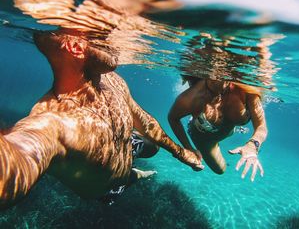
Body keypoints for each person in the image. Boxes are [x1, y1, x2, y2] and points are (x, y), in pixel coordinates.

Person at [0, 29, 203, 209]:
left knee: (152, 147)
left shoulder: (111, 81)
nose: (115, 38)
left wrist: (180, 153)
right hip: (110, 187)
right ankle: (137, 175)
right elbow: (18, 161)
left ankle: (133, 159)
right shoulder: (52, 123)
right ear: (75, 47)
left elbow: (144, 121)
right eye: (104, 34)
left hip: (123, 146)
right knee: (129, 179)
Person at [168, 76, 267, 182]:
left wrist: (252, 146)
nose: (218, 75)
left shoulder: (246, 89)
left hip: (228, 130)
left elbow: (261, 127)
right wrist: (189, 148)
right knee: (220, 170)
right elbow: (173, 118)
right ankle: (194, 120)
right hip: (204, 137)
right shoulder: (192, 97)